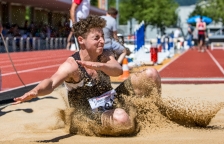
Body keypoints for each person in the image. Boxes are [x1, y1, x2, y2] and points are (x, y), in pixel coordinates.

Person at [13, 15, 162, 136]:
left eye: (102, 36)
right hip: (89, 114)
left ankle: (157, 114)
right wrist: (36, 91)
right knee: (121, 118)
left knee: (151, 74)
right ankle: (127, 120)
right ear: (81, 40)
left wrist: (100, 65)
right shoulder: (72, 66)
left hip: (113, 100)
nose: (102, 41)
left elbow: (118, 70)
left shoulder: (105, 55)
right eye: (96, 38)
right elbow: (51, 83)